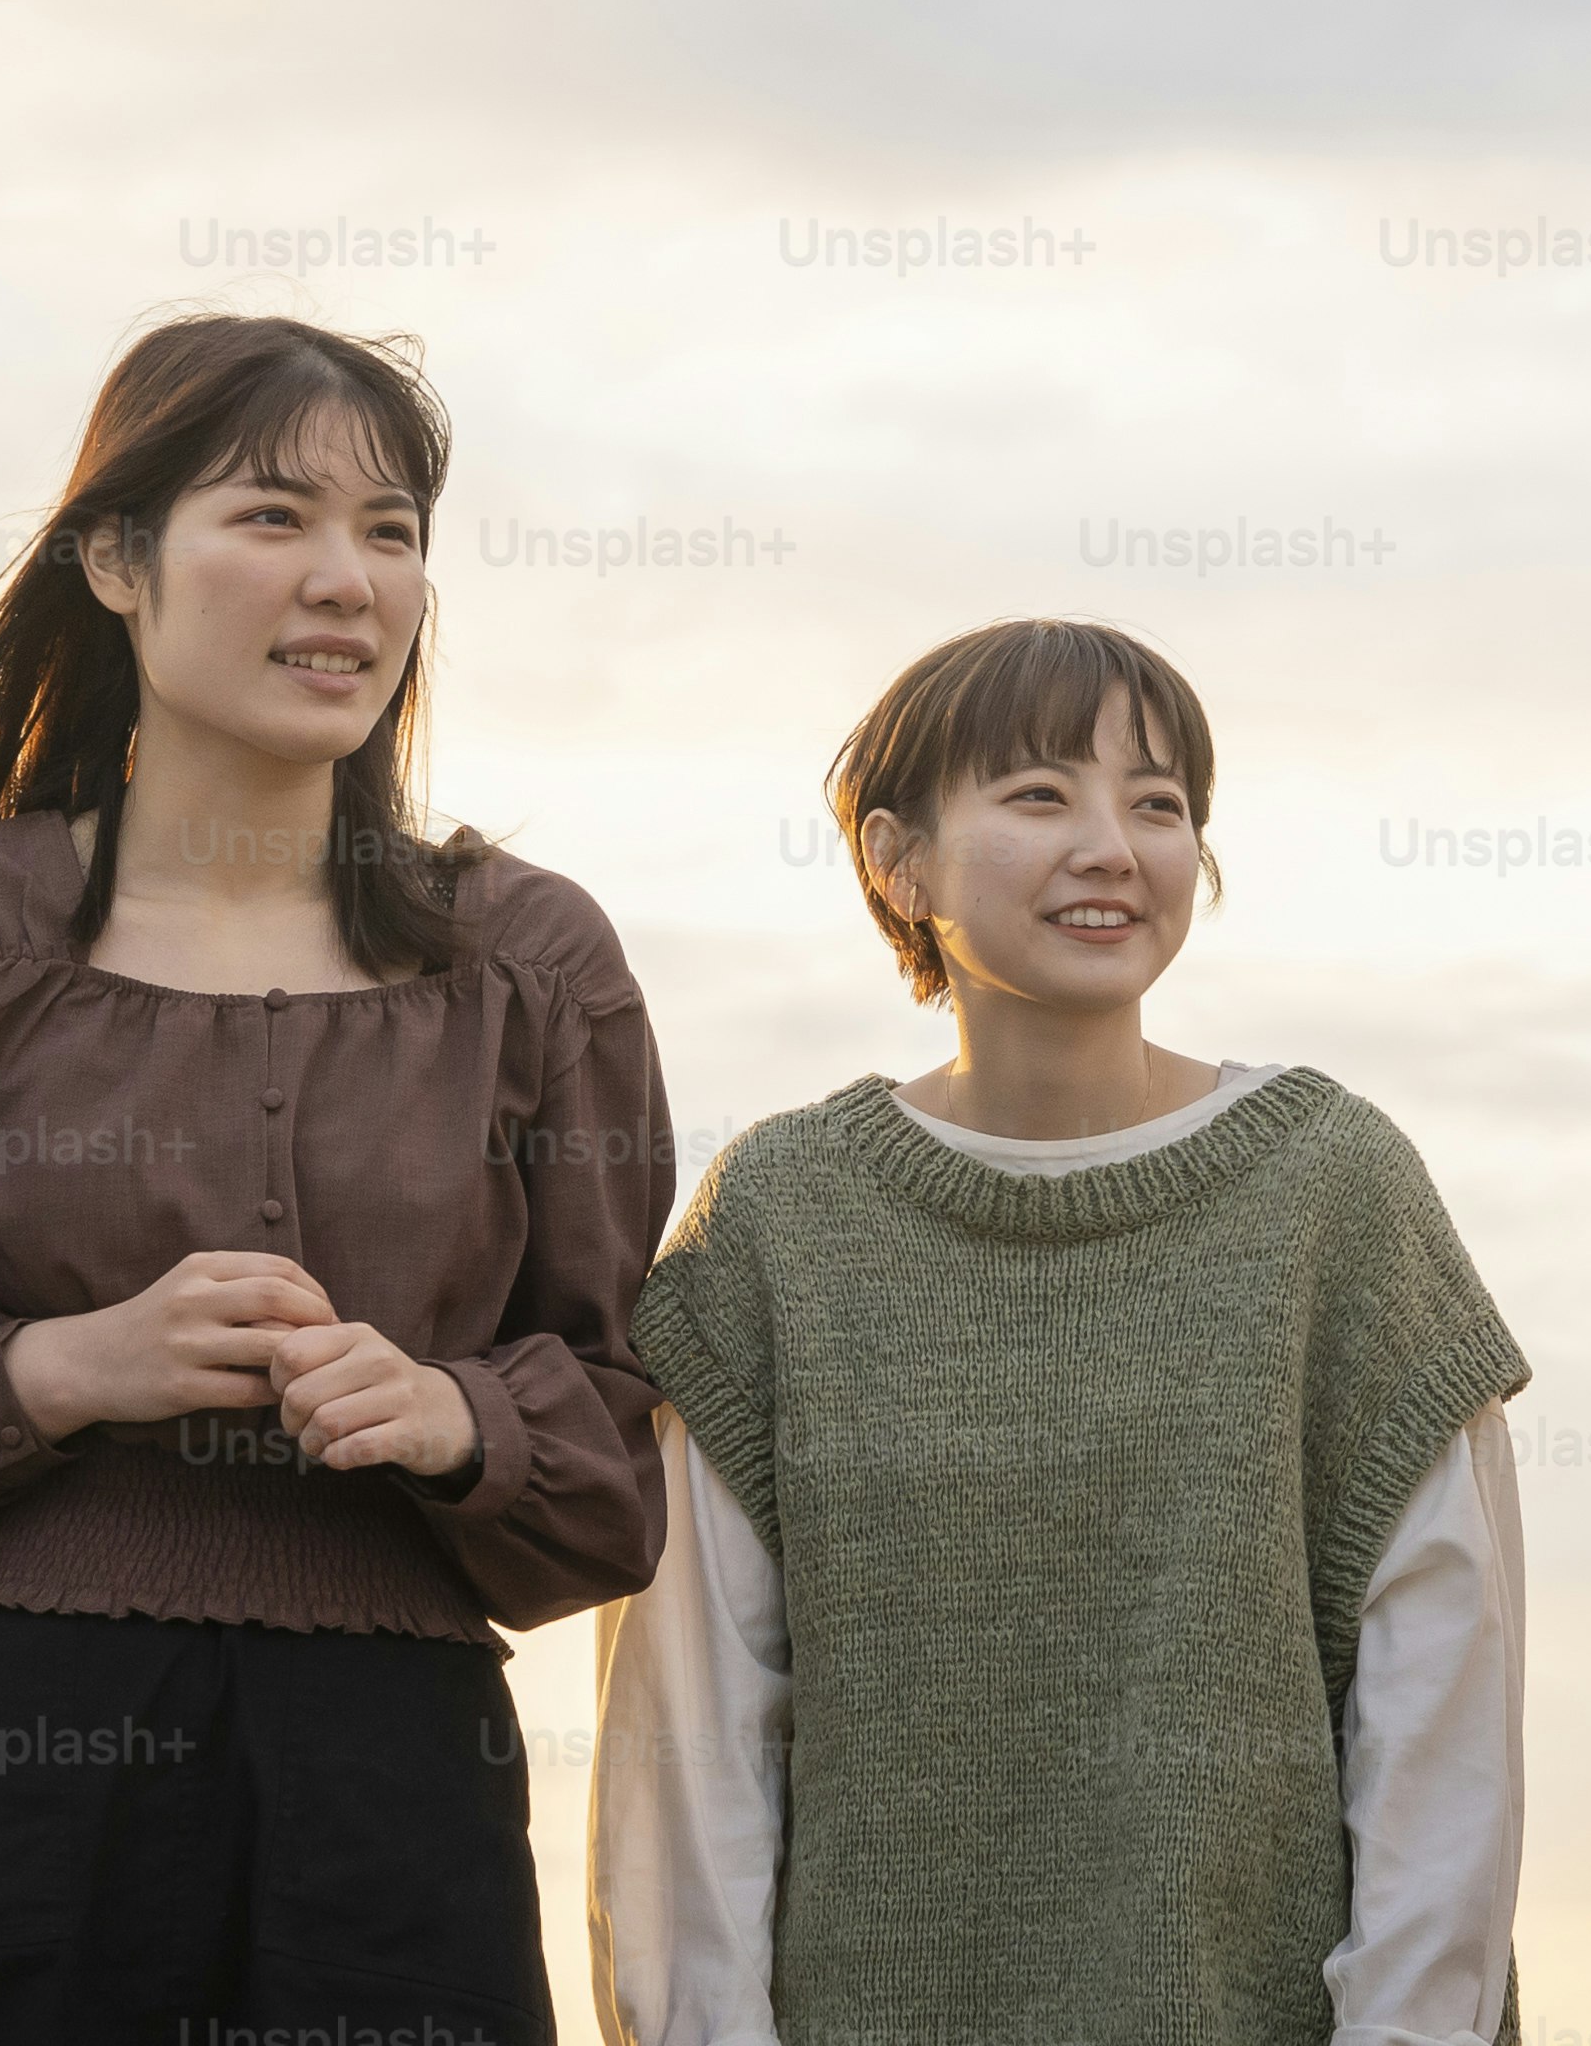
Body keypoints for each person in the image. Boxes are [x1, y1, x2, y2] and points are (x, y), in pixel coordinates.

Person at [0, 317, 669, 2046]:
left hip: (398, 1790)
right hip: (11, 1783)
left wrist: (455, 1416)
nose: (346, 581)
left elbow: (625, 1444)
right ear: (116, 558)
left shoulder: (535, 963)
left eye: (392, 531)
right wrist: (58, 1370)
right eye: (273, 517)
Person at [597, 619, 1532, 2046]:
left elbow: (1443, 1719)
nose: (1112, 846)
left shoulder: (1340, 1194)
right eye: (1040, 795)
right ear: (895, 862)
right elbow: (692, 1739)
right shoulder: (776, 1224)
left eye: (1157, 804)